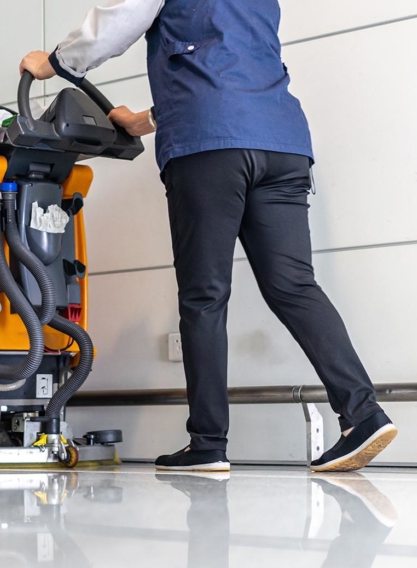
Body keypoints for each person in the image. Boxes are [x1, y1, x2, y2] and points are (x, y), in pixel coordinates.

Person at [20, 0, 398, 472]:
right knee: (295, 286)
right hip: (281, 141)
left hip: (210, 145)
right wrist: (146, 121)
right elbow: (228, 63)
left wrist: (54, 62)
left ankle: (207, 444)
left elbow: (119, 20)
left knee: (204, 297)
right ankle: (363, 414)